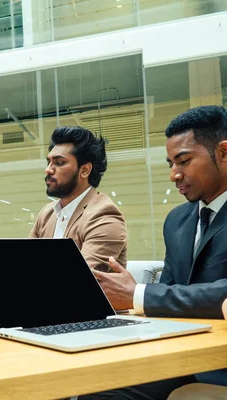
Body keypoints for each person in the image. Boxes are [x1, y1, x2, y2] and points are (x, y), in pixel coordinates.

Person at [83, 105, 227, 399]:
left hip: (219, 364)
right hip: (178, 358)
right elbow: (170, 292)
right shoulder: (177, 220)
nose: (174, 174)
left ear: (224, 152)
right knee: (95, 389)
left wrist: (138, 295)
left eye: (184, 161)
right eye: (170, 163)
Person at [28, 126, 127, 270]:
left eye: (59, 163)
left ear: (85, 170)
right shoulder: (47, 213)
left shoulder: (104, 216)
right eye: (48, 162)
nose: (48, 169)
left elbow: (79, 281)